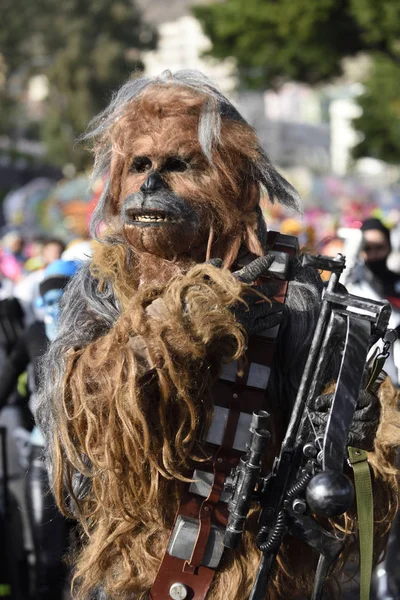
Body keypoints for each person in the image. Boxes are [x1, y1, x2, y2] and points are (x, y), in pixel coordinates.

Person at [36, 71, 400, 600]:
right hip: (142, 563)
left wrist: (358, 427)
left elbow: (358, 455)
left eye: (178, 165)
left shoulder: (290, 293)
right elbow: (76, 427)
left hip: (259, 566)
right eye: (139, 166)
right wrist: (181, 317)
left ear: (236, 184)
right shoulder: (101, 286)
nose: (151, 186)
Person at [0, 259, 79, 600]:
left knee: (87, 561)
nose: (53, 309)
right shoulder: (34, 335)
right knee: (46, 559)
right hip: (42, 456)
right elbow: (6, 382)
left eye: (60, 300)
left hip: (88, 461)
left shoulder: (97, 336)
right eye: (46, 302)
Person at [347, 218, 400, 386]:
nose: (373, 253)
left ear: (389, 247)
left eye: (379, 247)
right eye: (367, 248)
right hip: (354, 370)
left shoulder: (397, 283)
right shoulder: (352, 283)